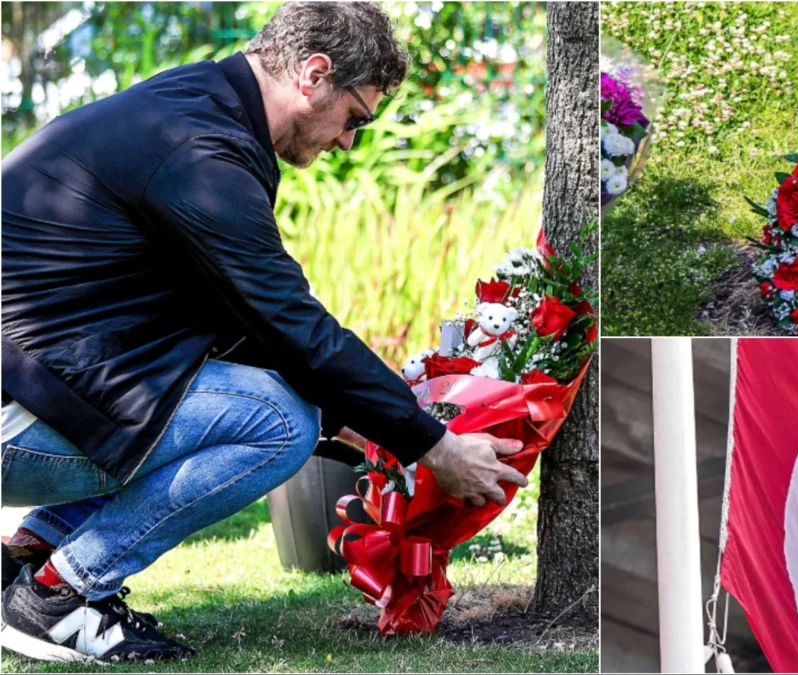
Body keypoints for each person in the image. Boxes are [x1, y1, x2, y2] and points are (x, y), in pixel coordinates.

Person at [0, 2, 527, 664]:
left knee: (235, 392)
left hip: (31, 385)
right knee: (279, 421)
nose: (348, 140)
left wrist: (358, 415)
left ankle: (28, 555)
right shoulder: (202, 150)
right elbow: (287, 320)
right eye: (355, 118)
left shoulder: (196, 105)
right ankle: (57, 597)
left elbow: (238, 321)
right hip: (16, 416)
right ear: (314, 73)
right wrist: (436, 446)